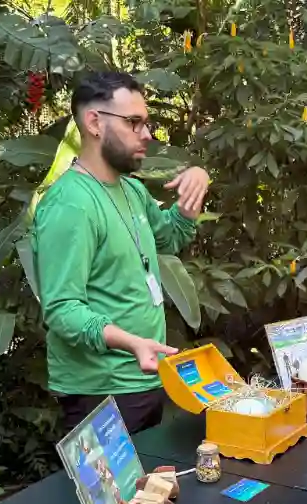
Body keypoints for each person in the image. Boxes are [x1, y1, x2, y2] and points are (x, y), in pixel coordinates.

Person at [33, 71, 211, 434]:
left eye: (146, 123)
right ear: (94, 122)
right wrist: (129, 342)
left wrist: (195, 188)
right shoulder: (70, 205)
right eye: (134, 123)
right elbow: (62, 310)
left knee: (151, 491)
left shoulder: (131, 191)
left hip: (145, 379)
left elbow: (169, 238)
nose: (146, 135)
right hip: (99, 391)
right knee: (114, 493)